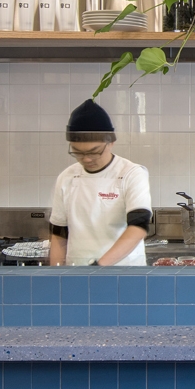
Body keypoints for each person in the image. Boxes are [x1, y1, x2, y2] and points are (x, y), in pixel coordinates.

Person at [48, 99, 152, 266]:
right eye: (78, 152)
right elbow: (59, 235)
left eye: (94, 152)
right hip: (77, 272)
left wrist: (99, 267)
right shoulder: (67, 177)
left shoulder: (131, 173)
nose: (86, 159)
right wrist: (56, 274)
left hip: (123, 272)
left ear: (111, 143)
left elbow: (138, 228)